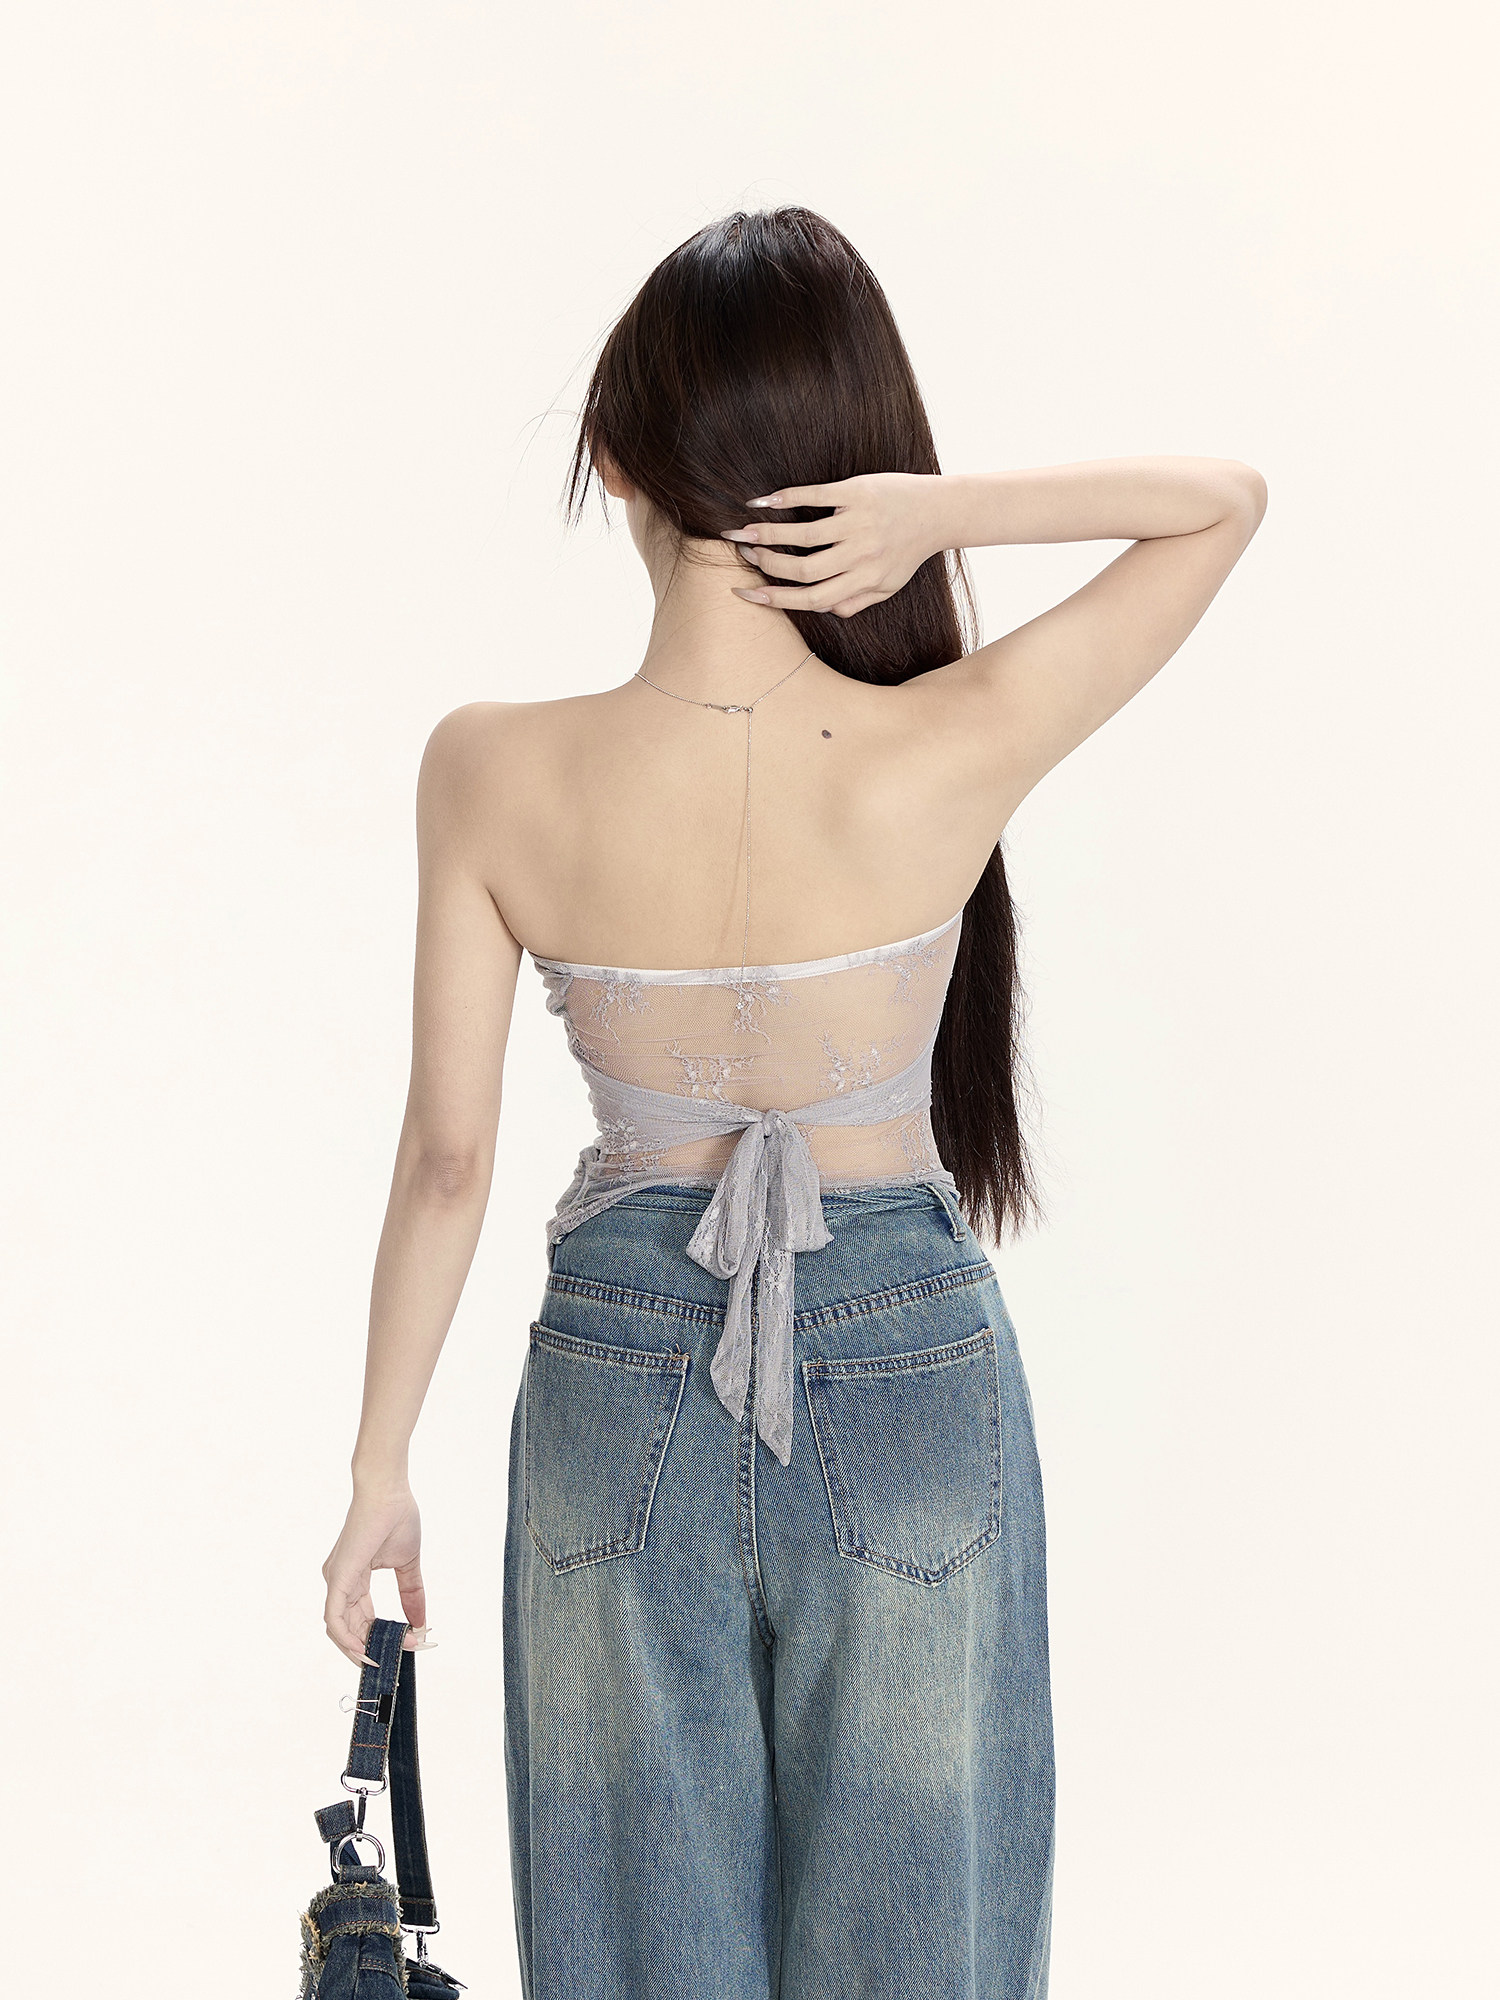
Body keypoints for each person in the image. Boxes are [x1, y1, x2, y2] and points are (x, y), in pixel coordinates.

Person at [320, 205, 1266, 1999]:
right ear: (853, 467)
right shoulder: (950, 741)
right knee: (926, 1925)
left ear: (612, 457)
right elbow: (1221, 501)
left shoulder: (491, 768)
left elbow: (448, 1160)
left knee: (629, 1930)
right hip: (907, 1346)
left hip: (614, 1360)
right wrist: (938, 514)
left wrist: (379, 1471)